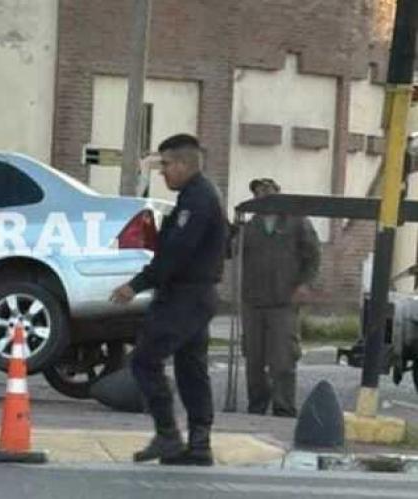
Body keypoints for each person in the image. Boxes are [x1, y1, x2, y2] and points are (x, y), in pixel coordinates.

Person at [110, 134, 227, 466]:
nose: (163, 172)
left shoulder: (197, 200)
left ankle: (168, 435)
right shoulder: (199, 195)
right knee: (191, 369)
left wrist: (137, 284)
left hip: (185, 296)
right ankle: (199, 444)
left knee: (145, 360)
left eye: (166, 165)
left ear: (185, 164)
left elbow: (176, 252)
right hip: (196, 295)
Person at [240, 178, 320, 417]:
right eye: (258, 192)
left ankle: (284, 407)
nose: (263, 196)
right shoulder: (250, 226)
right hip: (253, 300)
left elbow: (313, 255)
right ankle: (256, 406)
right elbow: (231, 251)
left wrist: (305, 284)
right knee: (254, 358)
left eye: (267, 191)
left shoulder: (296, 222)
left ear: (278, 193)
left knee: (283, 358)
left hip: (284, 300)